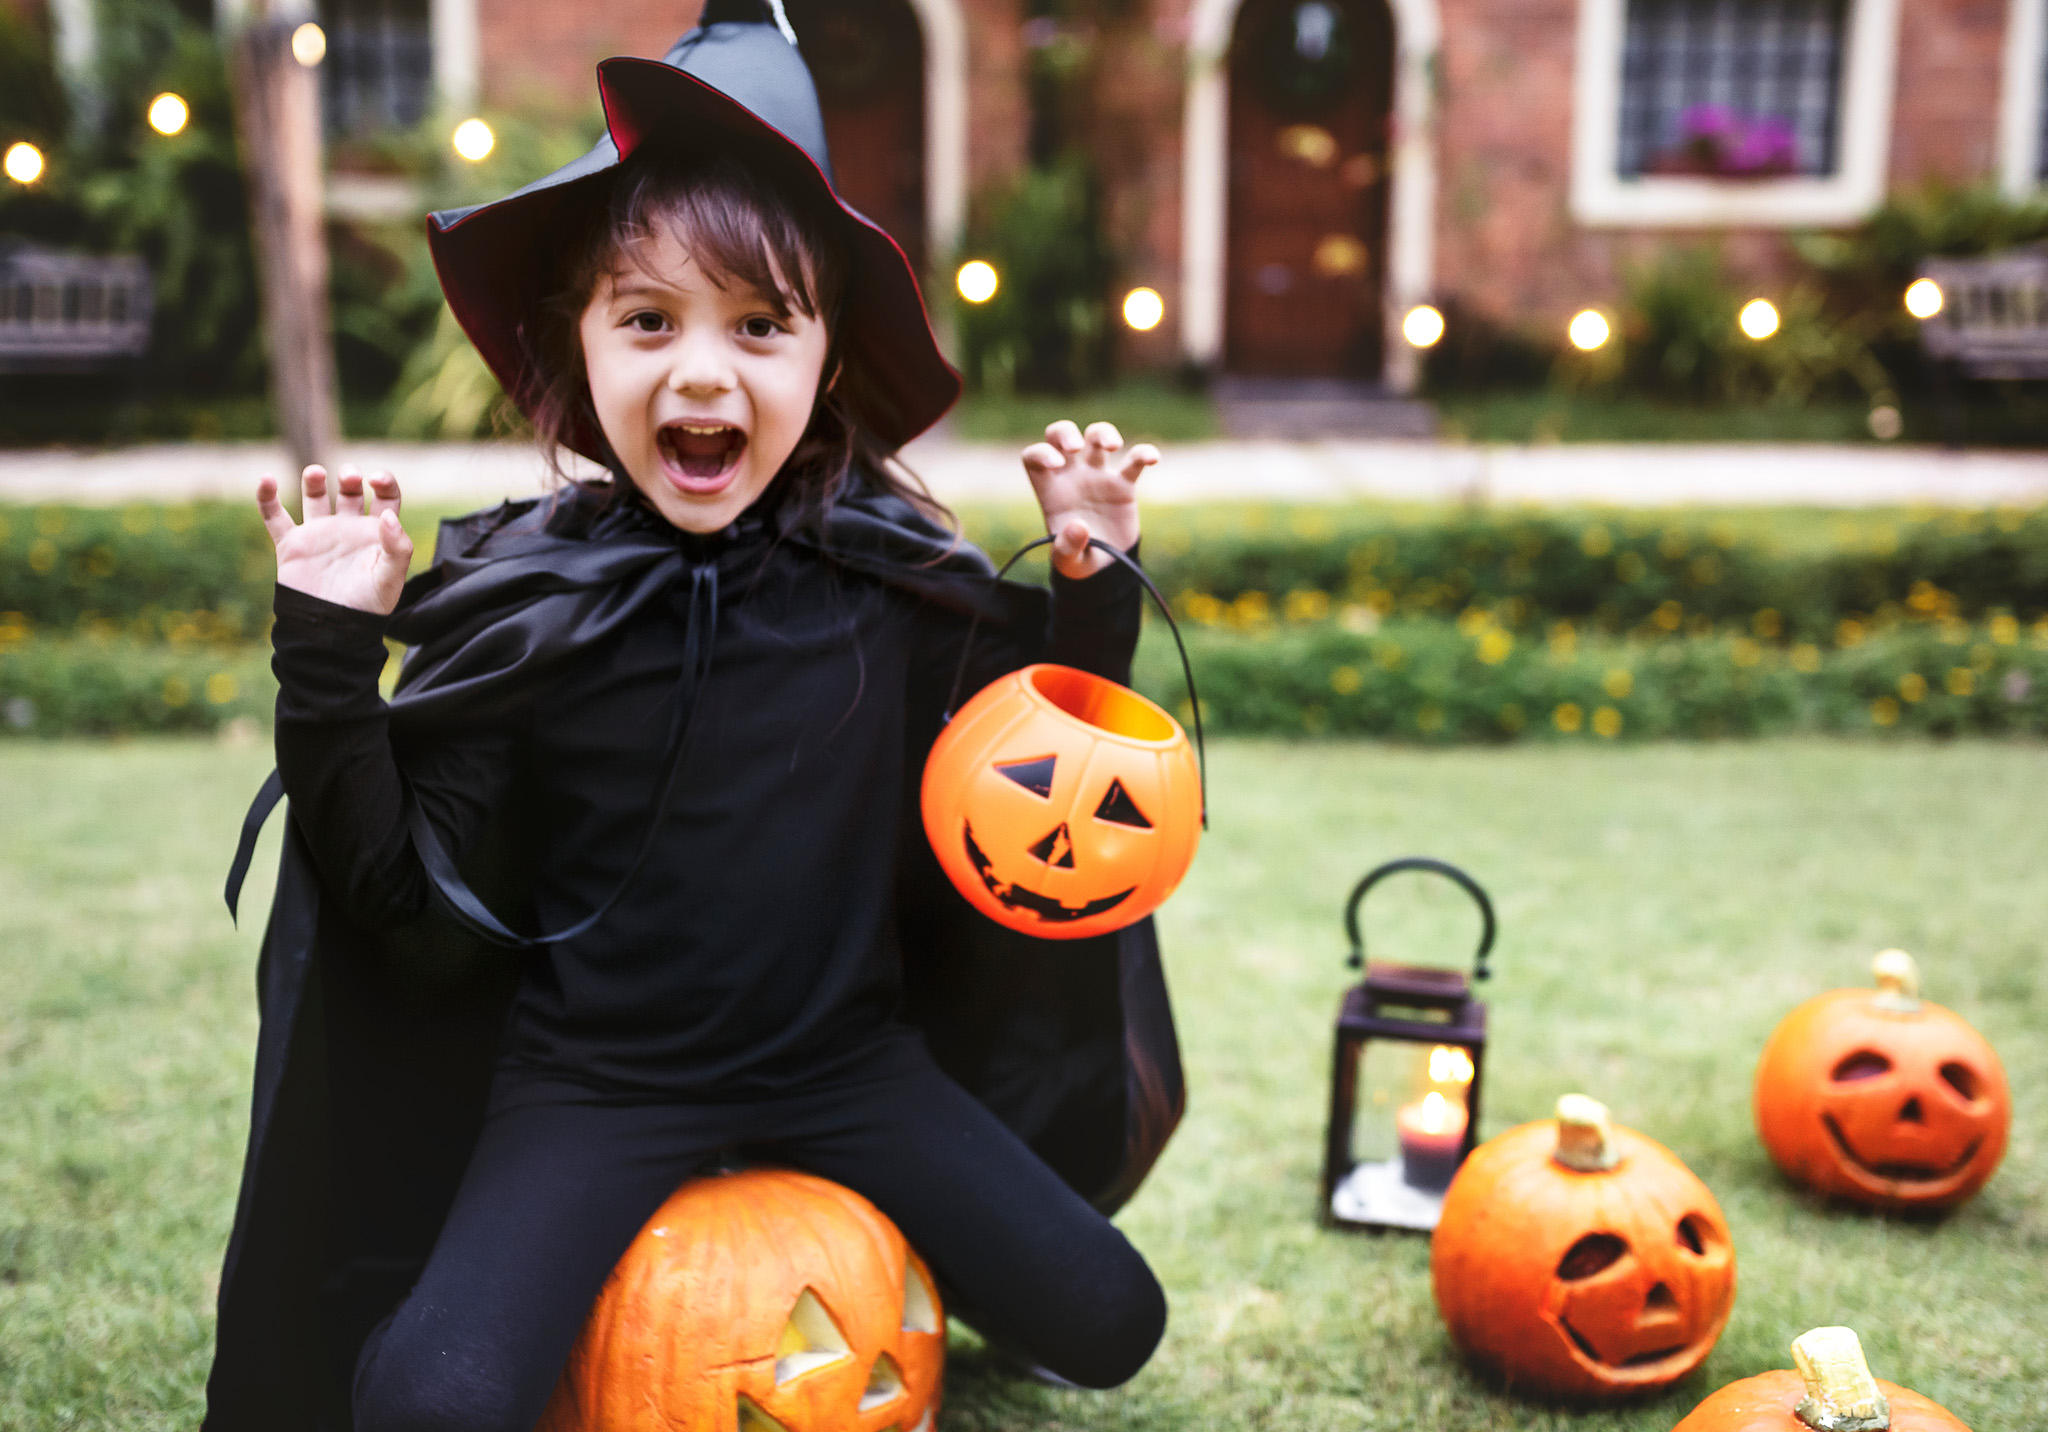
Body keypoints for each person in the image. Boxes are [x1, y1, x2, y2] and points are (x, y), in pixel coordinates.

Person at [202, 8, 1183, 1432]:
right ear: (580, 347)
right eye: (649, 319)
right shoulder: (525, 601)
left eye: (760, 324)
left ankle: (888, 1230)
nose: (705, 373)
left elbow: (1037, 798)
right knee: (427, 1406)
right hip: (594, 1086)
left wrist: (1091, 593)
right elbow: (388, 893)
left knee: (1110, 1321)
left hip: (844, 1066)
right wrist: (330, 655)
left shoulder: (890, 583)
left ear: (828, 359)